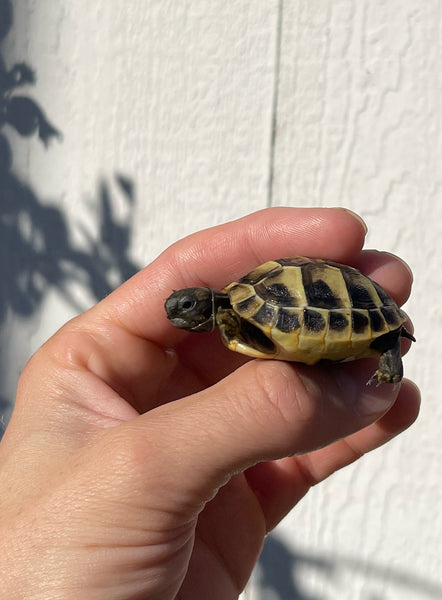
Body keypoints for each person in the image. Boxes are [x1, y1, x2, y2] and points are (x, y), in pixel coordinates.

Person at [0, 207, 420, 599]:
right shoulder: (234, 318)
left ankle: (387, 350)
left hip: (338, 304)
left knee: (374, 348)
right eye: (178, 309)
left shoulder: (241, 312)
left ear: (208, 304)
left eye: (187, 308)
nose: (178, 317)